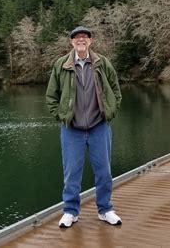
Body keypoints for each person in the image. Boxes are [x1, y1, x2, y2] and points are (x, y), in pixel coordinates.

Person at [45, 25, 122, 228]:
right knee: (71, 172)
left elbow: (115, 88)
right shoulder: (61, 65)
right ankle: (71, 211)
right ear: (71, 42)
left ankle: (105, 210)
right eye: (77, 37)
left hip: (99, 126)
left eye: (85, 37)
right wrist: (61, 116)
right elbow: (51, 96)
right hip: (72, 129)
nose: (81, 40)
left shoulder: (102, 63)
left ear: (90, 41)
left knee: (104, 171)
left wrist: (111, 111)